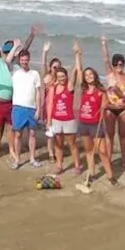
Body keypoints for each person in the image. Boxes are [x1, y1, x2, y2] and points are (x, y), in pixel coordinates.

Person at [0, 18, 39, 161]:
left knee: (10, 128)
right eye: (5, 51)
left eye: (10, 51)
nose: (7, 54)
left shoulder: (17, 65)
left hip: (10, 102)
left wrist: (32, 35)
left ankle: (12, 149)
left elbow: (25, 49)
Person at [75, 48, 116, 186]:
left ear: (95, 75)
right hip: (83, 123)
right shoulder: (83, 89)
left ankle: (110, 176)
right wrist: (78, 55)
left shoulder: (101, 91)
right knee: (88, 150)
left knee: (102, 151)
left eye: (91, 74)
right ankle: (91, 174)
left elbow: (107, 103)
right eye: (86, 75)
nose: (88, 76)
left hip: (95, 124)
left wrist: (105, 105)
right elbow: (79, 70)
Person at [46, 42, 81, 174]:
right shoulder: (53, 88)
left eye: (63, 76)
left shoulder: (70, 86)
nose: (61, 78)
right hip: (56, 120)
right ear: (56, 77)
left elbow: (76, 70)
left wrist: (77, 54)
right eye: (59, 76)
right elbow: (50, 104)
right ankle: (59, 166)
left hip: (69, 120)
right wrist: (49, 120)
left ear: (66, 76)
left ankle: (77, 165)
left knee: (72, 144)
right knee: (58, 144)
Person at [101, 35, 125, 166]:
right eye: (115, 64)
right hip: (110, 108)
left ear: (123, 64)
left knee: (122, 134)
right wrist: (104, 44)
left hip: (123, 108)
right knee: (109, 134)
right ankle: (108, 158)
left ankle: (124, 157)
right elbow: (105, 59)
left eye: (120, 64)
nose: (118, 66)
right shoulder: (110, 74)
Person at [11, 47, 42, 169]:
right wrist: (15, 47)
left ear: (29, 60)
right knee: (18, 134)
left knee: (32, 133)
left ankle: (32, 158)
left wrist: (38, 109)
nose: (24, 62)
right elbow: (7, 61)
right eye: (22, 60)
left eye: (26, 60)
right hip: (18, 107)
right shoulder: (15, 73)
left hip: (31, 108)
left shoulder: (35, 74)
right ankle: (17, 160)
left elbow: (38, 92)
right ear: (19, 60)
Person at [41, 42, 63, 164]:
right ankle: (51, 153)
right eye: (54, 67)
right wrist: (45, 52)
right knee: (50, 132)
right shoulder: (48, 78)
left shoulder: (61, 80)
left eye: (58, 68)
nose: (56, 70)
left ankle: (58, 150)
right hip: (48, 108)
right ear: (50, 68)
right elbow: (43, 65)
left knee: (58, 132)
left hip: (59, 109)